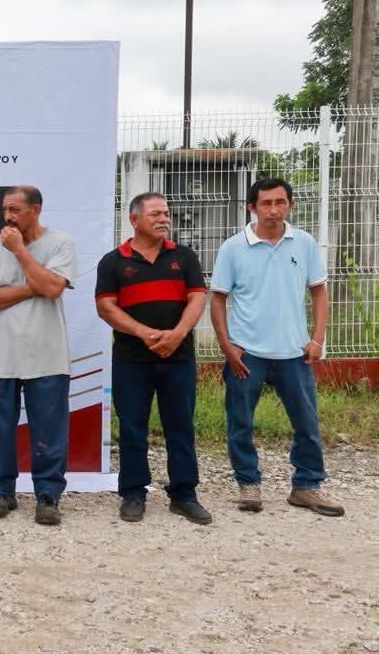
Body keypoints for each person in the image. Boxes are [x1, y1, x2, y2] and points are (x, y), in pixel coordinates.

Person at [210, 178, 341, 516]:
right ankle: (248, 483)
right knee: (241, 422)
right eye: (265, 203)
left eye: (280, 202)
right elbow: (218, 298)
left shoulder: (304, 243)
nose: (273, 210)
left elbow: (319, 291)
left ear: (290, 205)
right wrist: (227, 346)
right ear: (251, 207)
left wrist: (317, 339)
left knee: (307, 423)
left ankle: (306, 486)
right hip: (246, 354)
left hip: (294, 353)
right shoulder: (233, 248)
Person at [95, 192, 211, 524]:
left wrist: (178, 334)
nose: (164, 219)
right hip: (131, 360)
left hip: (178, 357)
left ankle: (184, 495)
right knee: (132, 428)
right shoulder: (113, 262)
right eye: (155, 214)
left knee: (180, 426)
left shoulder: (184, 257)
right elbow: (105, 307)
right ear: (134, 220)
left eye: (166, 213)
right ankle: (133, 493)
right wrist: (143, 332)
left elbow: (197, 299)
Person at [0, 185, 76, 526]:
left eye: (15, 210)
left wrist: (19, 251)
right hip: (4, 354)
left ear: (36, 210)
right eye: (5, 209)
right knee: (2, 428)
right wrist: (32, 287)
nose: (8, 216)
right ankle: (2, 492)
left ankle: (48, 495)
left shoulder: (60, 243)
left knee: (49, 428)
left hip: (47, 353)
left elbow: (52, 288)